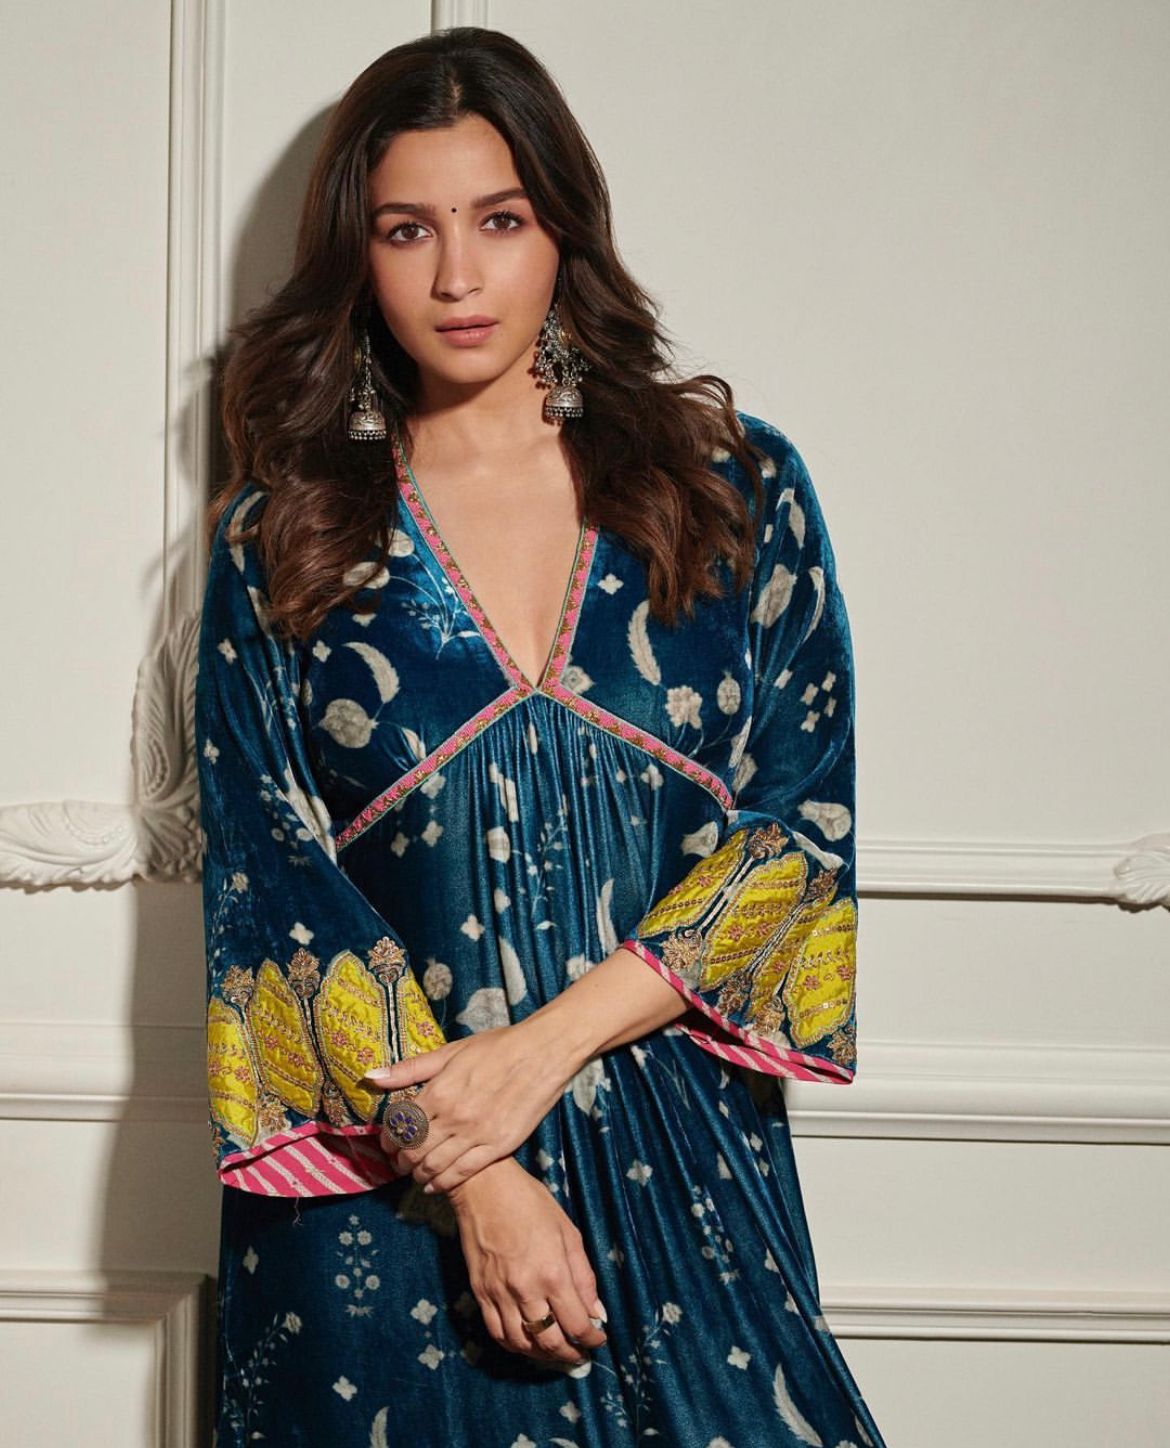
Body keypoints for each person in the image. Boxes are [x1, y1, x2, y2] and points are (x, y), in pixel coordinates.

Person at [197, 24, 887, 1448]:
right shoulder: (286, 539)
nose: (458, 277)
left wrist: (534, 1058)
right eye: (408, 230)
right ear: (358, 257)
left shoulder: (727, 490)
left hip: (682, 1162)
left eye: (500, 221)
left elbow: (798, 836)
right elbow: (275, 892)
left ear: (563, 230)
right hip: (386, 1202)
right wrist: (477, 1179)